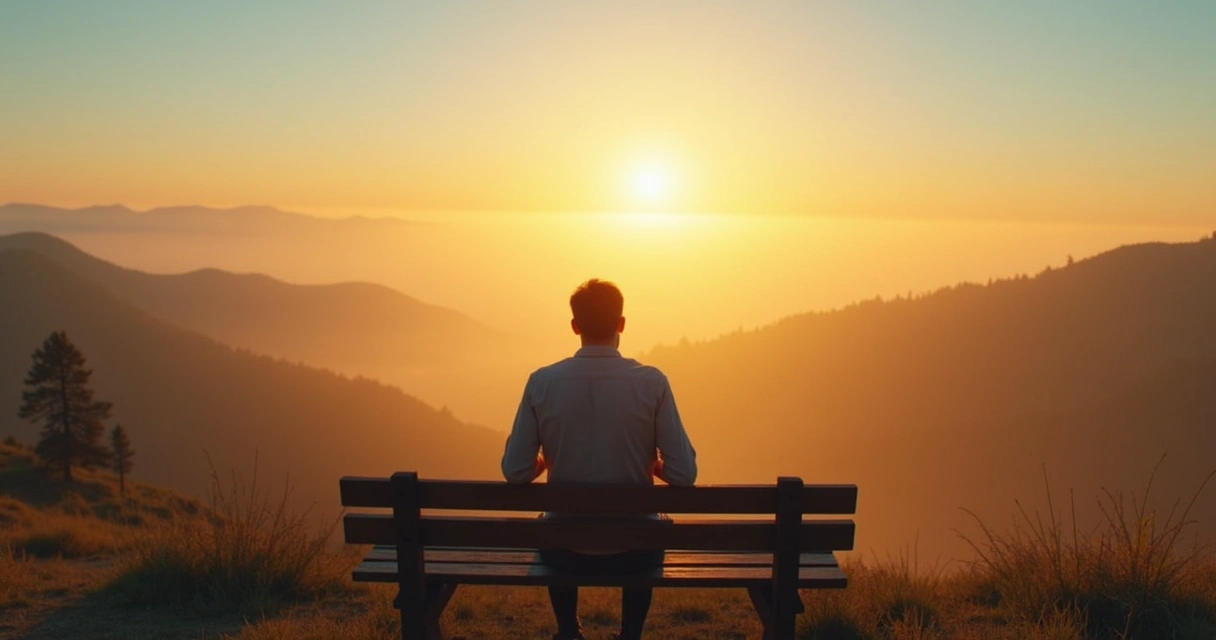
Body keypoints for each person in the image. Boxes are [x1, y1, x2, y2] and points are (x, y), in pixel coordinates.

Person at [501, 278, 698, 640]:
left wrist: (544, 461)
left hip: (564, 551)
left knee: (551, 522)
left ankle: (568, 630)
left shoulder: (542, 382)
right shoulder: (651, 383)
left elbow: (514, 471)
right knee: (651, 525)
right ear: (621, 323)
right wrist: (653, 465)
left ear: (575, 326)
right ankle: (630, 634)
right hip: (635, 551)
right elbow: (684, 474)